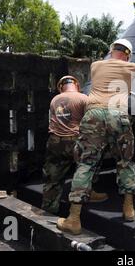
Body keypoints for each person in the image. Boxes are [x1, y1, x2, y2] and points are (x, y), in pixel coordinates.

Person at [57, 39, 135, 235]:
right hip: (118, 115)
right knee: (125, 162)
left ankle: (74, 219)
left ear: (111, 50)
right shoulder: (131, 66)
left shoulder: (95, 65)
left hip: (93, 115)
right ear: (128, 54)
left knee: (86, 164)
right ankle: (128, 209)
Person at [42, 76, 108, 215]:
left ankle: (49, 209)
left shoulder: (54, 100)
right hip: (75, 141)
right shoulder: (83, 98)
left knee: (53, 177)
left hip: (55, 142)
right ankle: (85, 195)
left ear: (61, 87)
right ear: (77, 85)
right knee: (87, 169)